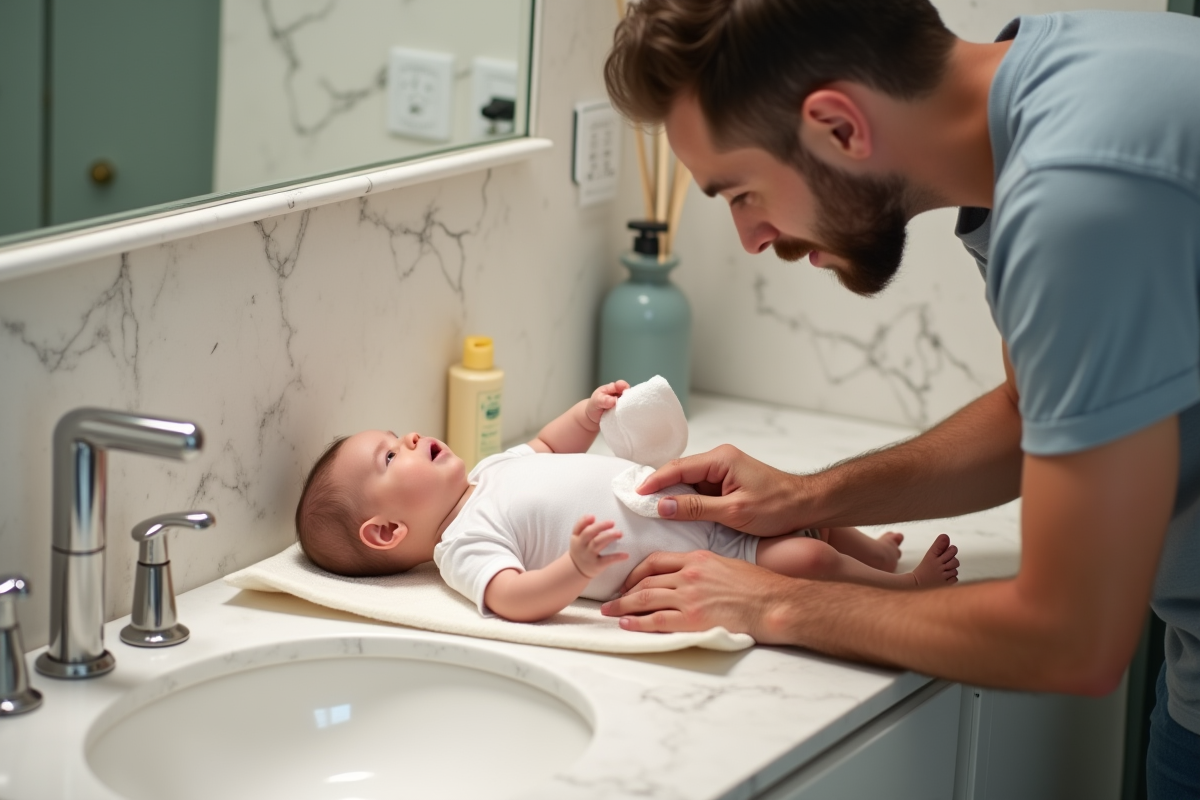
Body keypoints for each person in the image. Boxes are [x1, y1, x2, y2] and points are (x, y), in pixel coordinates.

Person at [599, 1, 1200, 796]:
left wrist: (775, 602)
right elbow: (1033, 412)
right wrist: (809, 498)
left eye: (740, 193)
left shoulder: (1077, 198)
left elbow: (1070, 636)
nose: (751, 237)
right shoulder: (1058, 94)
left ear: (839, 128)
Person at [293, 380, 959, 622]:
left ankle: (876, 556)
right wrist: (575, 568)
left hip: (690, 505)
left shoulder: (492, 471)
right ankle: (902, 592)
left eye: (397, 436)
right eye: (390, 456)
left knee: (806, 512)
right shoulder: (460, 546)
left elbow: (548, 446)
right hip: (707, 556)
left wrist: (584, 415)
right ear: (385, 531)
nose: (410, 438)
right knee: (806, 561)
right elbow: (512, 598)